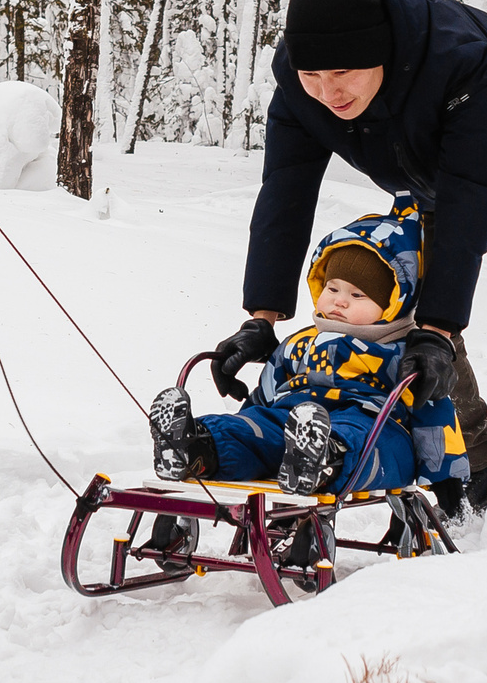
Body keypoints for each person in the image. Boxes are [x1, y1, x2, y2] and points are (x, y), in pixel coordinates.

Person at [218, 0, 487, 513]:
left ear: (383, 54)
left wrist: (441, 325)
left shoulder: (458, 60)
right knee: (424, 338)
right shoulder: (301, 83)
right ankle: (483, 473)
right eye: (314, 75)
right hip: (439, 176)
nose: (328, 92)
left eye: (343, 74)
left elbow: (473, 194)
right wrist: (262, 316)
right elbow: (285, 192)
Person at [150, 199, 468, 496]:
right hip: (290, 421)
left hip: (372, 426)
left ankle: (325, 457)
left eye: (358, 295)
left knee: (362, 439)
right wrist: (249, 423)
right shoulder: (298, 343)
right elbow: (265, 395)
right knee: (258, 428)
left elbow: (436, 422)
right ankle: (196, 447)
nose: (340, 300)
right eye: (332, 288)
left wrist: (446, 484)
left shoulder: (404, 354)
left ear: (393, 304)